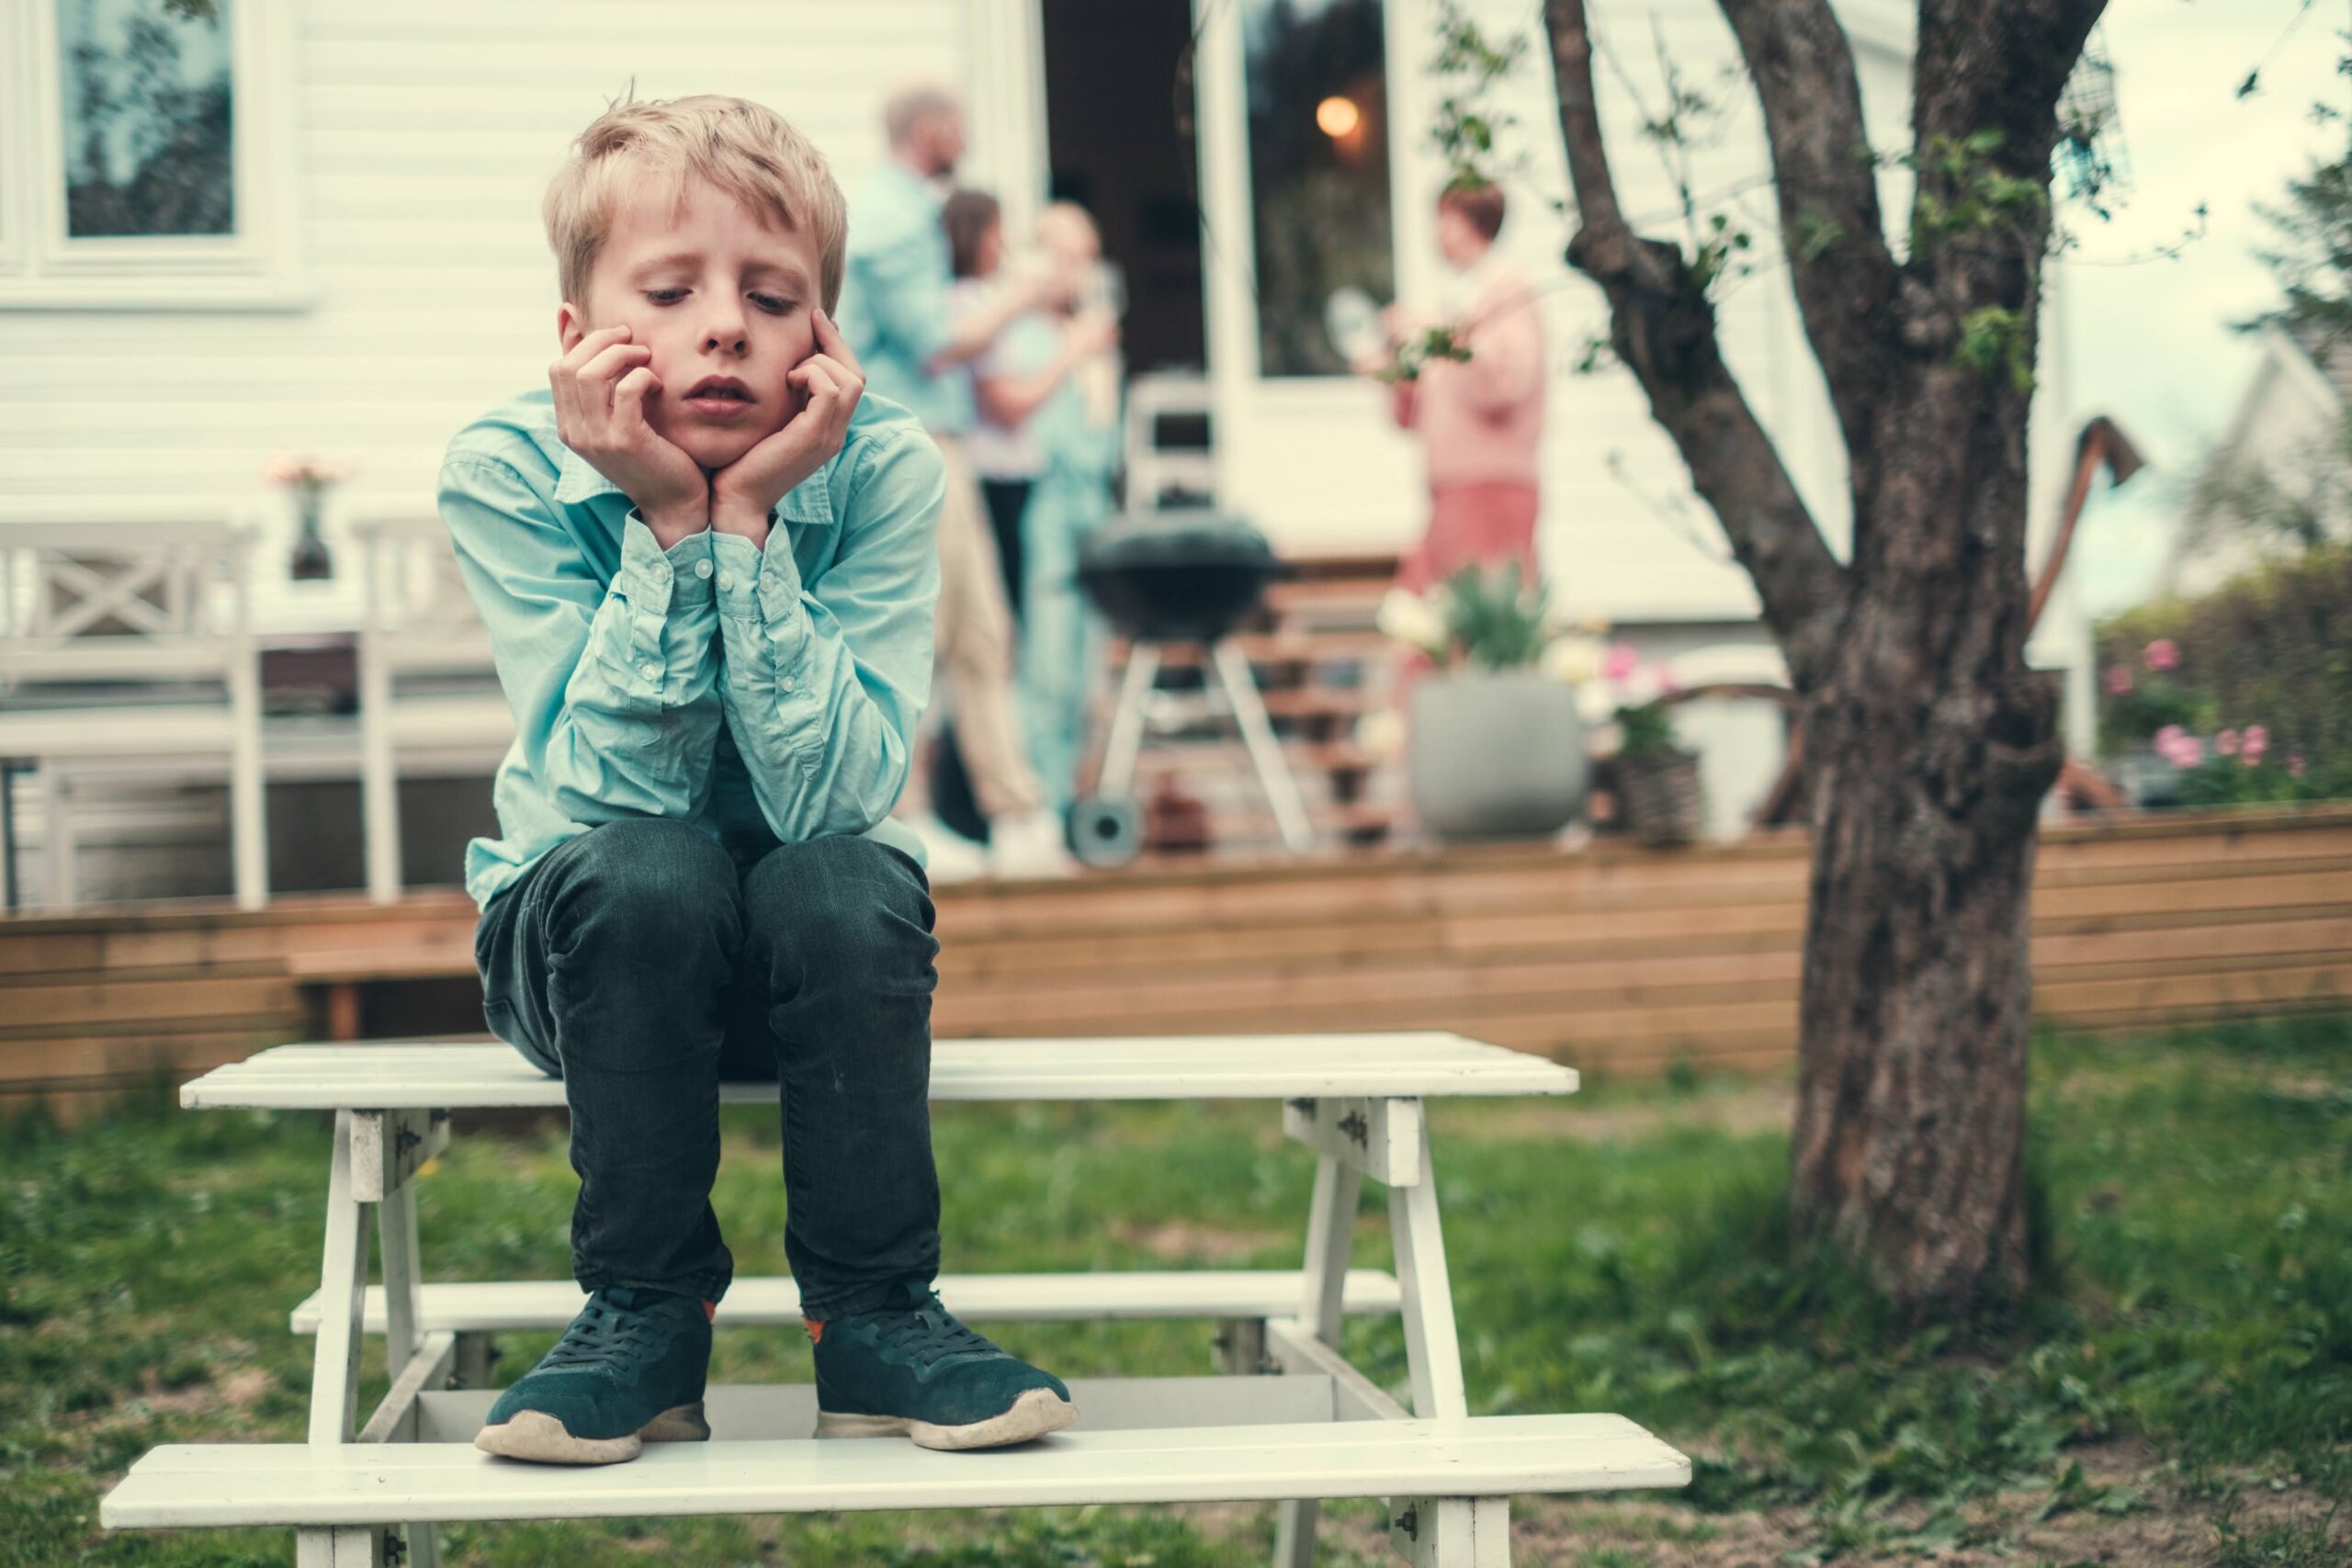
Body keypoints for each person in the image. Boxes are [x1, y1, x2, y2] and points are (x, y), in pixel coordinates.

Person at [439, 93, 1077, 1466]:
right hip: (590, 956)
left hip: (821, 982)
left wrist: (752, 525)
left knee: (849, 871)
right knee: (654, 867)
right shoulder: (506, 468)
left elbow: (836, 802)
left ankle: (878, 1317)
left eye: (772, 296)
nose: (724, 324)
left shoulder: (890, 470)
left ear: (826, 340)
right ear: (577, 336)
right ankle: (644, 1315)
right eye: (669, 290)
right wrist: (672, 522)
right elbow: (616, 792)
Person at [839, 84, 1072, 879]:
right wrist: (1026, 293)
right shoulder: (896, 218)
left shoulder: (896, 211)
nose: (965, 141)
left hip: (933, 443)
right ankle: (910, 817)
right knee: (933, 638)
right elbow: (937, 342)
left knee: (977, 635)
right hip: (915, 444)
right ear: (932, 131)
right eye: (961, 129)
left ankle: (1013, 818)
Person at [1379, 180, 1546, 599]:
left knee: (1469, 626)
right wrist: (1394, 368)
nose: (1435, 233)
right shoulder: (1465, 296)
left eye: (1444, 220)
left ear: (1472, 223)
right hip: (1454, 486)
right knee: (1428, 619)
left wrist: (1435, 331)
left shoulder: (1506, 289)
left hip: (1490, 486)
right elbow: (1414, 414)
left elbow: (1507, 382)